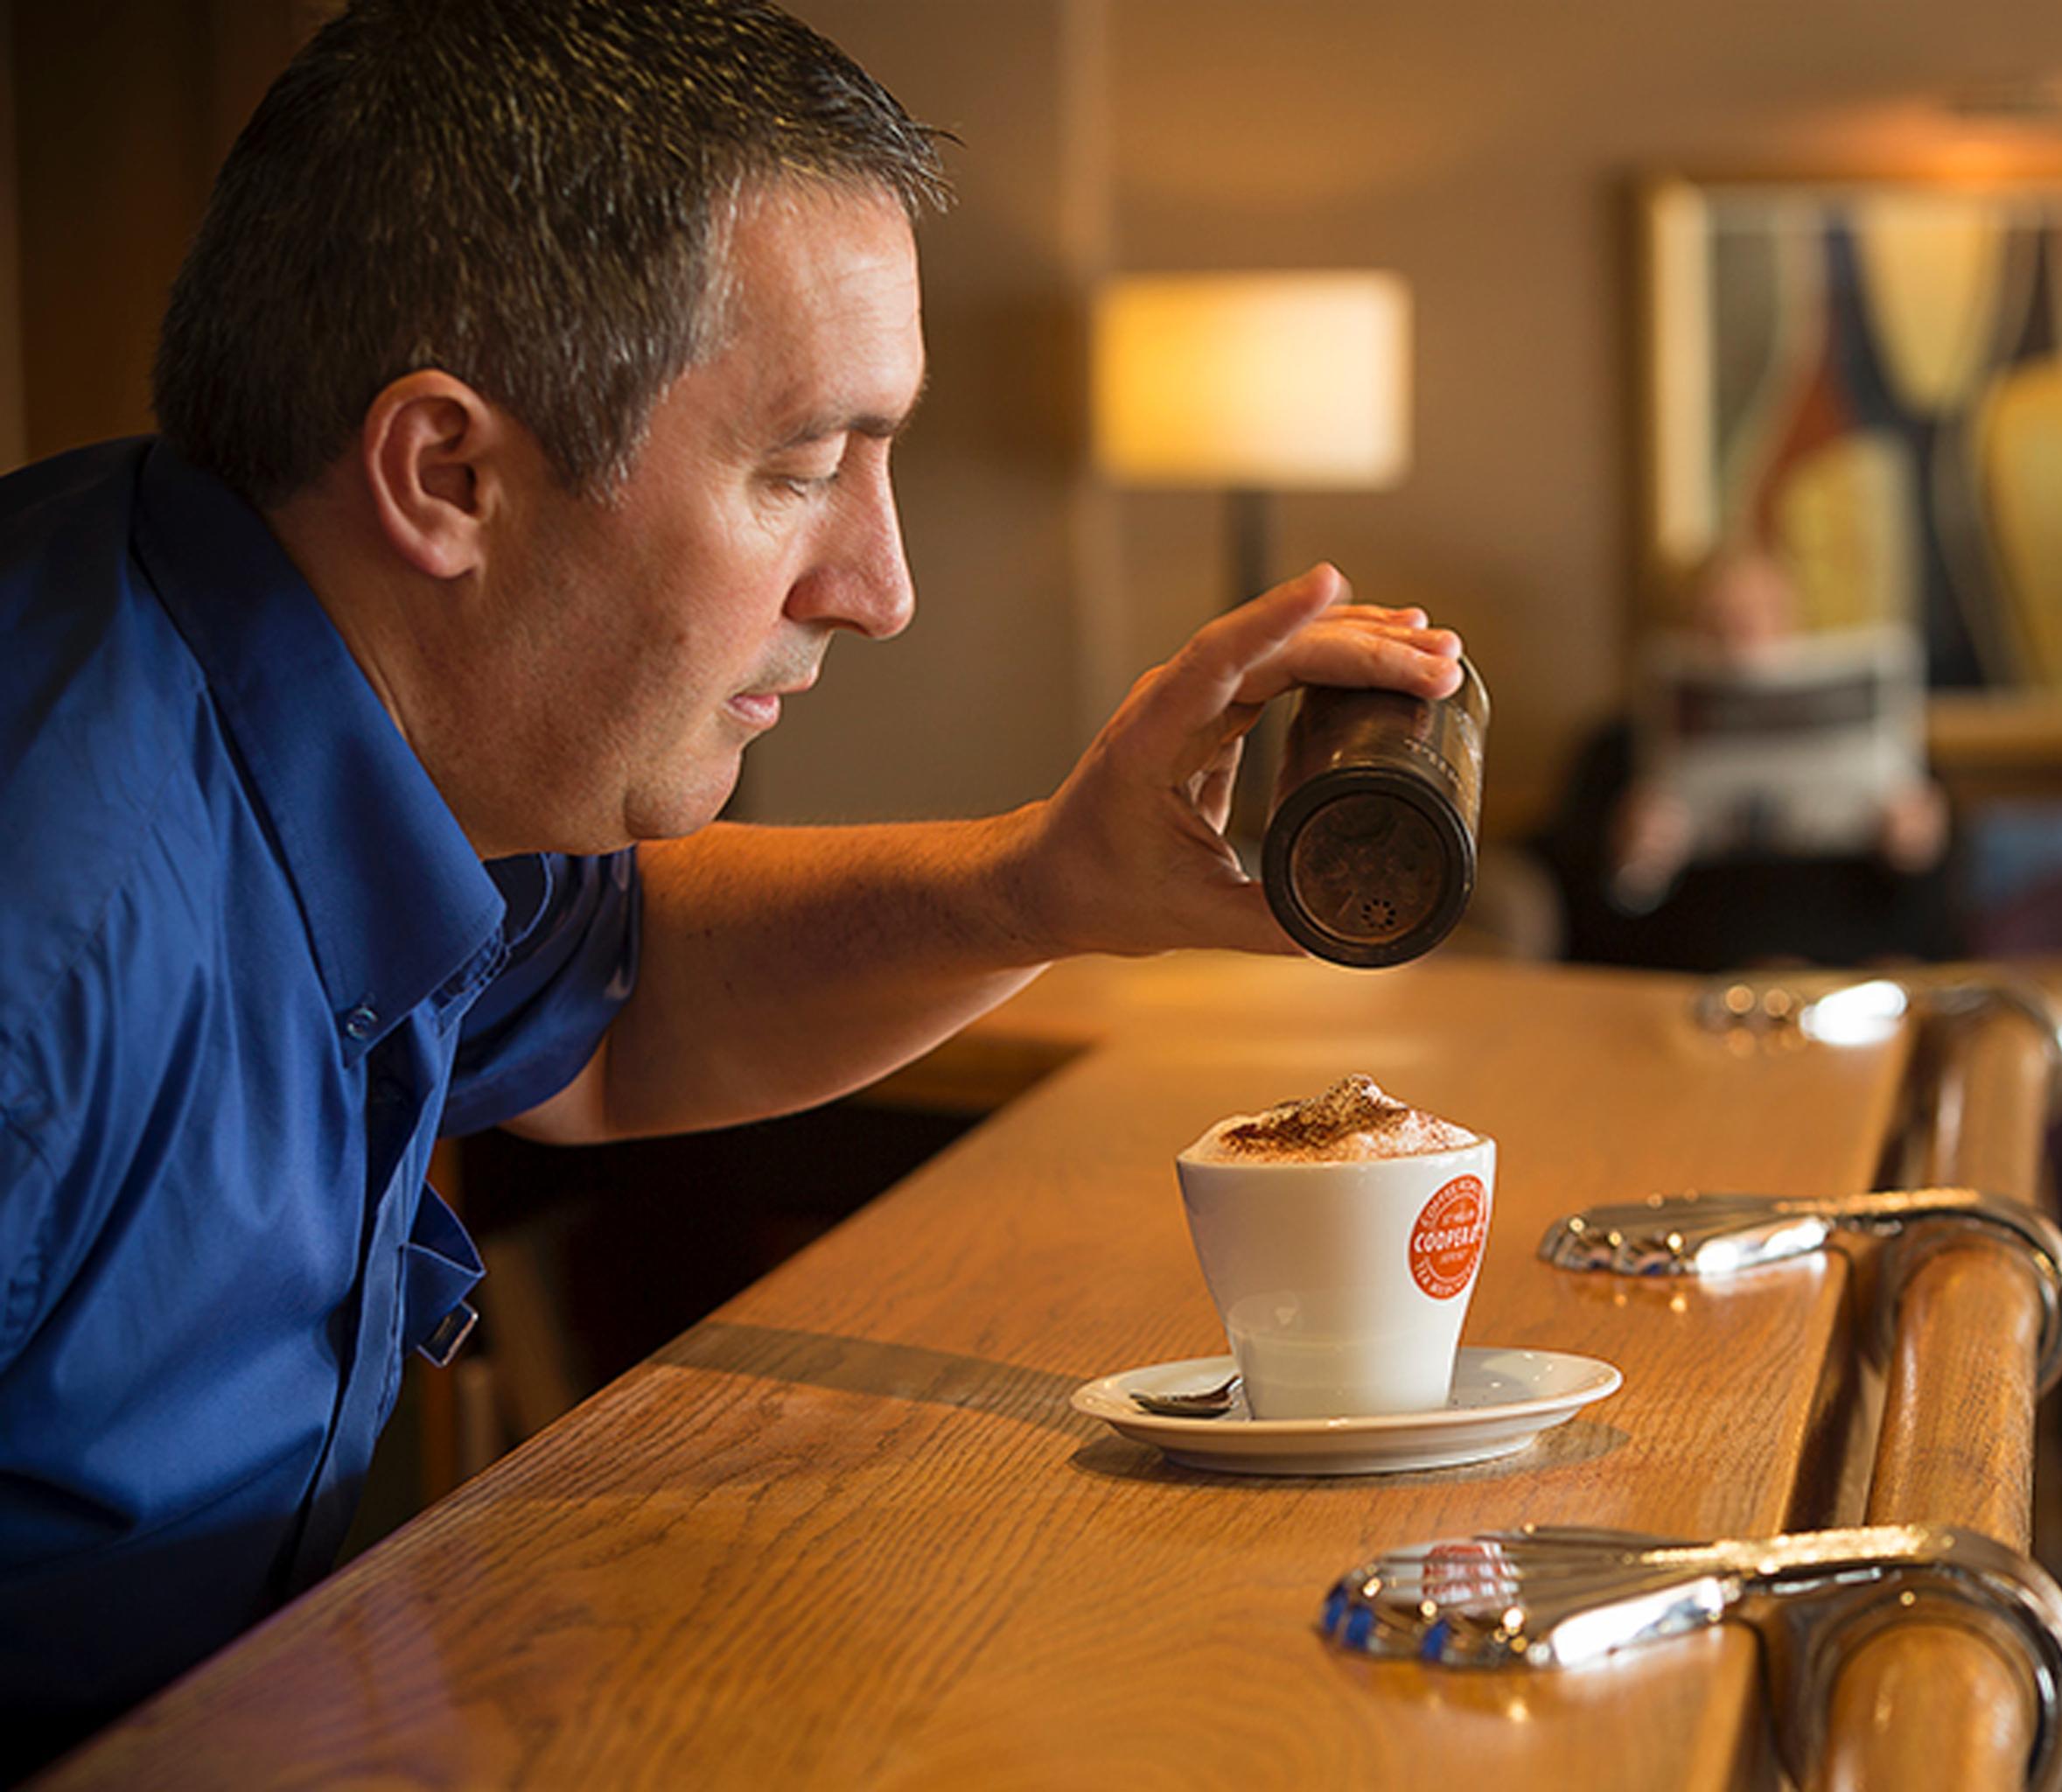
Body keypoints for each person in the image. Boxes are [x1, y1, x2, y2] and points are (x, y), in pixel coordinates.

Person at [0, 0, 1463, 1766]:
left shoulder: (301, 702)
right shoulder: (46, 948)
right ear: (447, 473)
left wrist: (1054, 881)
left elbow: (620, 1013)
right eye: (799, 469)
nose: (878, 585)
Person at [1532, 547, 1958, 973]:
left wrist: (1914, 852)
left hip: (1847, 972)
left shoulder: (1885, 746)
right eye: (1718, 620)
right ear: (1683, 630)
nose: (1744, 638)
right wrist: (1632, 866)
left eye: (1766, 615)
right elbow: (1579, 921)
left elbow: (1934, 915)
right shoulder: (1615, 751)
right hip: (1688, 976)